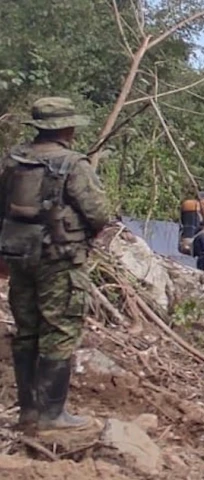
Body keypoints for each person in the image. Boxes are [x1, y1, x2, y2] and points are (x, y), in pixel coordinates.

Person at [0, 97, 113, 432]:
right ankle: (52, 415)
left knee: (27, 332)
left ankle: (28, 413)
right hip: (59, 261)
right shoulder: (73, 165)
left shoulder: (13, 161)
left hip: (19, 257)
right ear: (66, 128)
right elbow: (99, 213)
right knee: (60, 330)